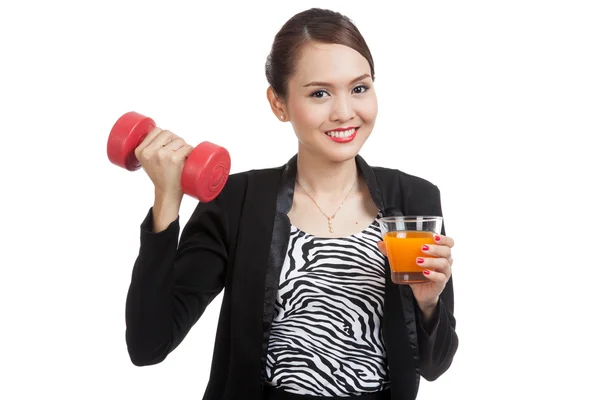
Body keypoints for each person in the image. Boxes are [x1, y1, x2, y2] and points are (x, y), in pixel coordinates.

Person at [124, 7, 458, 400]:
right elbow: (148, 345)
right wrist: (167, 200)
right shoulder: (236, 201)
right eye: (319, 93)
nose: (345, 112)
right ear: (278, 103)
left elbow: (434, 366)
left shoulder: (414, 199)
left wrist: (428, 304)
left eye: (359, 88)